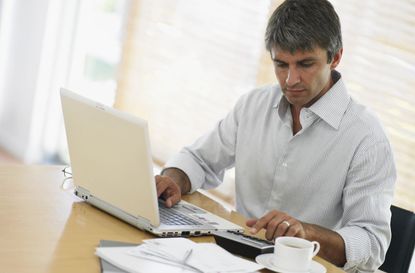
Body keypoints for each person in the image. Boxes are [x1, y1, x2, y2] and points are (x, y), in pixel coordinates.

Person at [155, 0, 396, 272]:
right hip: (234, 259)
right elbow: (198, 159)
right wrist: (173, 180)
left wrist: (306, 233)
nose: (291, 80)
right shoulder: (254, 105)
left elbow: (372, 243)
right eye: (281, 64)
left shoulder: (366, 138)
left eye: (305, 64)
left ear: (336, 57)